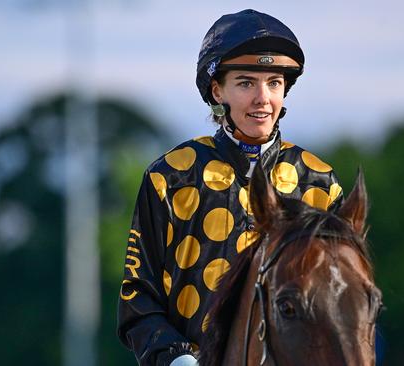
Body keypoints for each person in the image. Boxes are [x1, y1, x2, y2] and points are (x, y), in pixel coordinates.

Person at [117, 9, 344, 366]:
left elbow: (339, 304)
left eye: (273, 82)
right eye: (245, 83)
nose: (262, 98)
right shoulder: (170, 177)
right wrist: (177, 360)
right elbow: (137, 296)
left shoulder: (319, 183)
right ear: (216, 89)